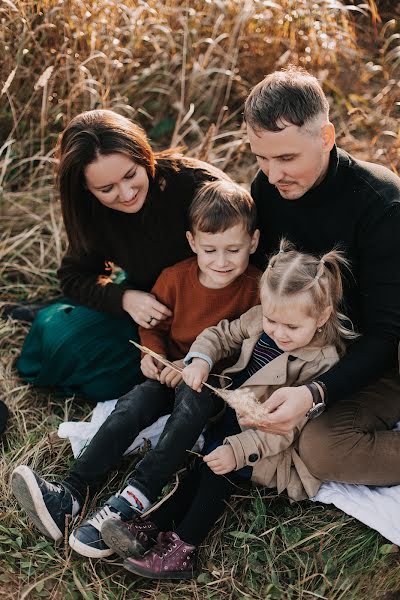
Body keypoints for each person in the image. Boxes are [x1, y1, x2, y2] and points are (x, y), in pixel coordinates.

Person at [11, 179, 261, 559]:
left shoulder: (255, 289)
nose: (222, 261)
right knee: (131, 405)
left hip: (212, 386)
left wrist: (193, 367)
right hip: (165, 372)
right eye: (210, 249)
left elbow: (250, 349)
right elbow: (153, 325)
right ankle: (71, 493)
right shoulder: (176, 277)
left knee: (190, 406)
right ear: (193, 243)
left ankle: (133, 499)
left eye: (234, 250)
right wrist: (152, 356)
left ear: (254, 243)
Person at [100, 239, 356, 581]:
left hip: (265, 443)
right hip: (233, 412)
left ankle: (185, 547)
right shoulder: (261, 319)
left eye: (291, 327)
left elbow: (289, 429)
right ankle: (154, 526)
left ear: (322, 315)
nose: (278, 332)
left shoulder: (322, 363)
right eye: (271, 320)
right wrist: (201, 359)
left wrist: (239, 452)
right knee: (201, 465)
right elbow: (221, 335)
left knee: (217, 473)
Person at [241, 66, 400, 486]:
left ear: (326, 138)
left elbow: (387, 333)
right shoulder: (267, 189)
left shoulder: (382, 204)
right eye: (261, 158)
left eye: (287, 158)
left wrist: (315, 395)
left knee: (321, 447)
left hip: (384, 356)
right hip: (310, 348)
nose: (273, 175)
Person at [14, 109, 232, 402]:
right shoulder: (92, 211)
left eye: (131, 175)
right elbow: (74, 276)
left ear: (143, 156)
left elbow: (247, 250)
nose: (127, 193)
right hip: (151, 314)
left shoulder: (195, 185)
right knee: (63, 344)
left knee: (110, 382)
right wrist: (125, 299)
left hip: (218, 315)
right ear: (86, 189)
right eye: (106, 189)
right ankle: (56, 312)